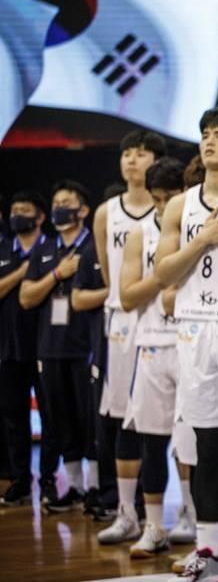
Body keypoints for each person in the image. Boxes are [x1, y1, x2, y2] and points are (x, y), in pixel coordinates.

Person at [155, 105, 218, 580]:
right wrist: (204, 239)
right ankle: (209, 547)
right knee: (206, 443)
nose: (209, 141)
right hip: (195, 327)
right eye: (205, 134)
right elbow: (163, 275)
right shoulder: (181, 206)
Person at [118, 156, 199, 557]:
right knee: (152, 441)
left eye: (170, 197)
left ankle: (192, 514)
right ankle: (152, 526)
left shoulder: (197, 224)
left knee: (192, 442)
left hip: (189, 342)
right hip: (151, 344)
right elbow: (128, 297)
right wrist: (167, 273)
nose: (164, 206)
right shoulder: (140, 234)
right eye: (157, 198)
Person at [93, 130, 164, 541]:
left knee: (171, 419)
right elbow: (109, 272)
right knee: (122, 416)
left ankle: (186, 513)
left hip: (163, 316)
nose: (132, 160)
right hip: (122, 318)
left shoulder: (170, 207)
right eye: (127, 154)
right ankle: (126, 512)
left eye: (140, 153)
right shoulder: (107, 212)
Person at [19, 180, 95, 512]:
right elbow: (26, 298)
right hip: (49, 348)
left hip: (86, 347)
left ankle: (97, 486)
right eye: (56, 204)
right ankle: (74, 486)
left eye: (66, 203)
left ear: (83, 210)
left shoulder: (93, 245)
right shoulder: (45, 249)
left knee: (89, 419)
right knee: (60, 419)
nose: (59, 209)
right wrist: (57, 275)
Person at [0, 190, 56, 506]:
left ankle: (49, 479)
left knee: (51, 416)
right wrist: (22, 273)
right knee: (13, 416)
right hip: (10, 348)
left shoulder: (53, 248)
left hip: (47, 347)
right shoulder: (4, 250)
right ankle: (20, 479)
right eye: (14, 210)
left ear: (40, 216)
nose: (17, 215)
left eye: (24, 209)